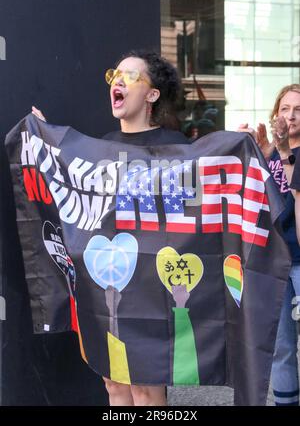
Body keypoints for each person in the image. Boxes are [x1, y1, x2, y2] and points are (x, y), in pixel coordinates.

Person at [32, 49, 189, 407]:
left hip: (153, 290)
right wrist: (42, 137)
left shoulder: (176, 147)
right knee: (114, 385)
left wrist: (249, 153)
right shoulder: (102, 146)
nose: (118, 81)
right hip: (110, 286)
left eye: (131, 76)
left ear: (152, 94)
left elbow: (192, 208)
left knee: (146, 390)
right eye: (115, 75)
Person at [238, 84, 300, 406]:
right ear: (276, 113)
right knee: (281, 345)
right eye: (285, 108)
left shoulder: (290, 154)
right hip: (275, 260)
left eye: (298, 110)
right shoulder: (271, 152)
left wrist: (286, 153)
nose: (290, 116)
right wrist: (253, 152)